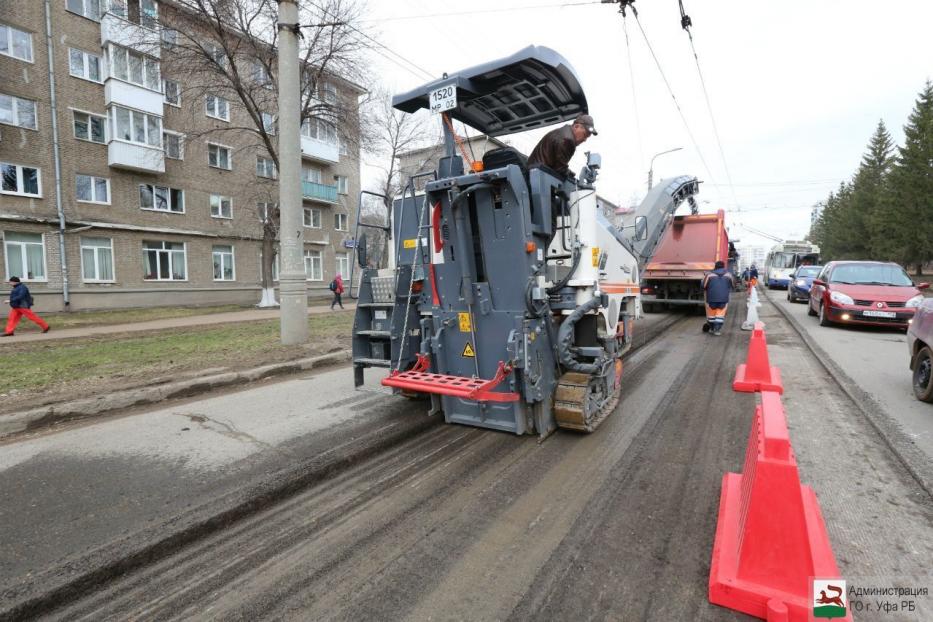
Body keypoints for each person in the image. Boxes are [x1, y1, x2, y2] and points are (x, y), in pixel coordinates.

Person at [526, 114, 597, 178]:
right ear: (576, 126)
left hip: (533, 171)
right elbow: (560, 169)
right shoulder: (568, 140)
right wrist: (570, 174)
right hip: (539, 175)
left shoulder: (562, 132)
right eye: (585, 135)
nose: (584, 140)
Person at [703, 261, 734, 336]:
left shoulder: (709, 275)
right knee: (720, 314)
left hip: (711, 299)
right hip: (723, 299)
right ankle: (717, 330)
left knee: (711, 315)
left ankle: (712, 328)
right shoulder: (729, 275)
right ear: (723, 267)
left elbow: (703, 286)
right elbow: (732, 285)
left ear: (715, 266)